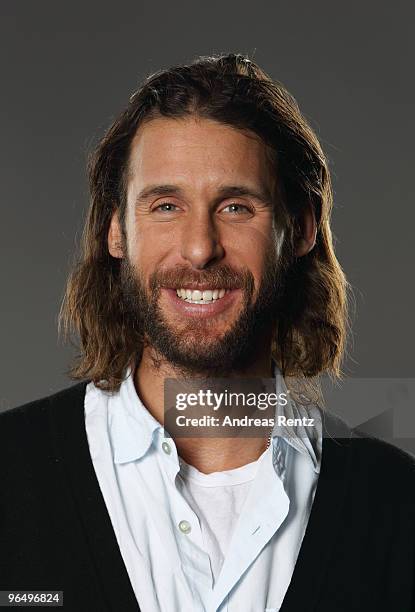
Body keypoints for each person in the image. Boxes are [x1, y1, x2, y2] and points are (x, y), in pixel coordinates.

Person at [1, 53, 414, 612]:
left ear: (300, 231)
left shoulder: (397, 505)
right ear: (116, 231)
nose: (199, 247)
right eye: (166, 206)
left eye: (237, 207)